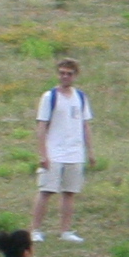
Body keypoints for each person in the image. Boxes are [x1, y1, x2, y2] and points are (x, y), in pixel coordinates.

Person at [32, 58, 95, 244]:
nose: (65, 76)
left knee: (69, 192)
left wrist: (90, 151)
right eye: (62, 73)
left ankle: (65, 231)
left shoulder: (80, 97)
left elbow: (85, 125)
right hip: (54, 151)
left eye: (69, 73)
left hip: (75, 152)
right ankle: (35, 230)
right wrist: (43, 153)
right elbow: (42, 126)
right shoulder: (49, 97)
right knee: (46, 190)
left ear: (75, 75)